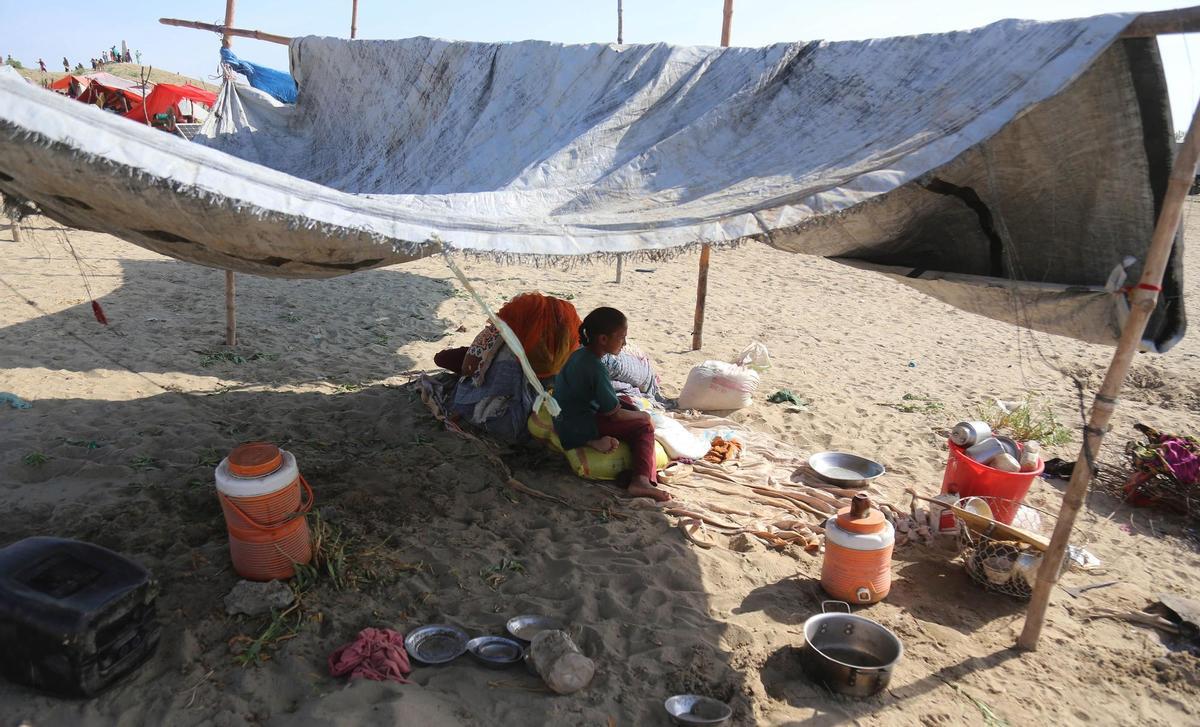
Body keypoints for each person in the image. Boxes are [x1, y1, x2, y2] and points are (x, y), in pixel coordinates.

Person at [553, 307, 670, 502]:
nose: (624, 343)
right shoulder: (596, 367)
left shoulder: (578, 355)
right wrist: (645, 416)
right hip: (578, 424)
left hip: (565, 416)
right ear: (603, 339)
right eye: (621, 337)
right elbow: (614, 414)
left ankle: (630, 468)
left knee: (626, 403)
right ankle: (641, 481)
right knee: (644, 426)